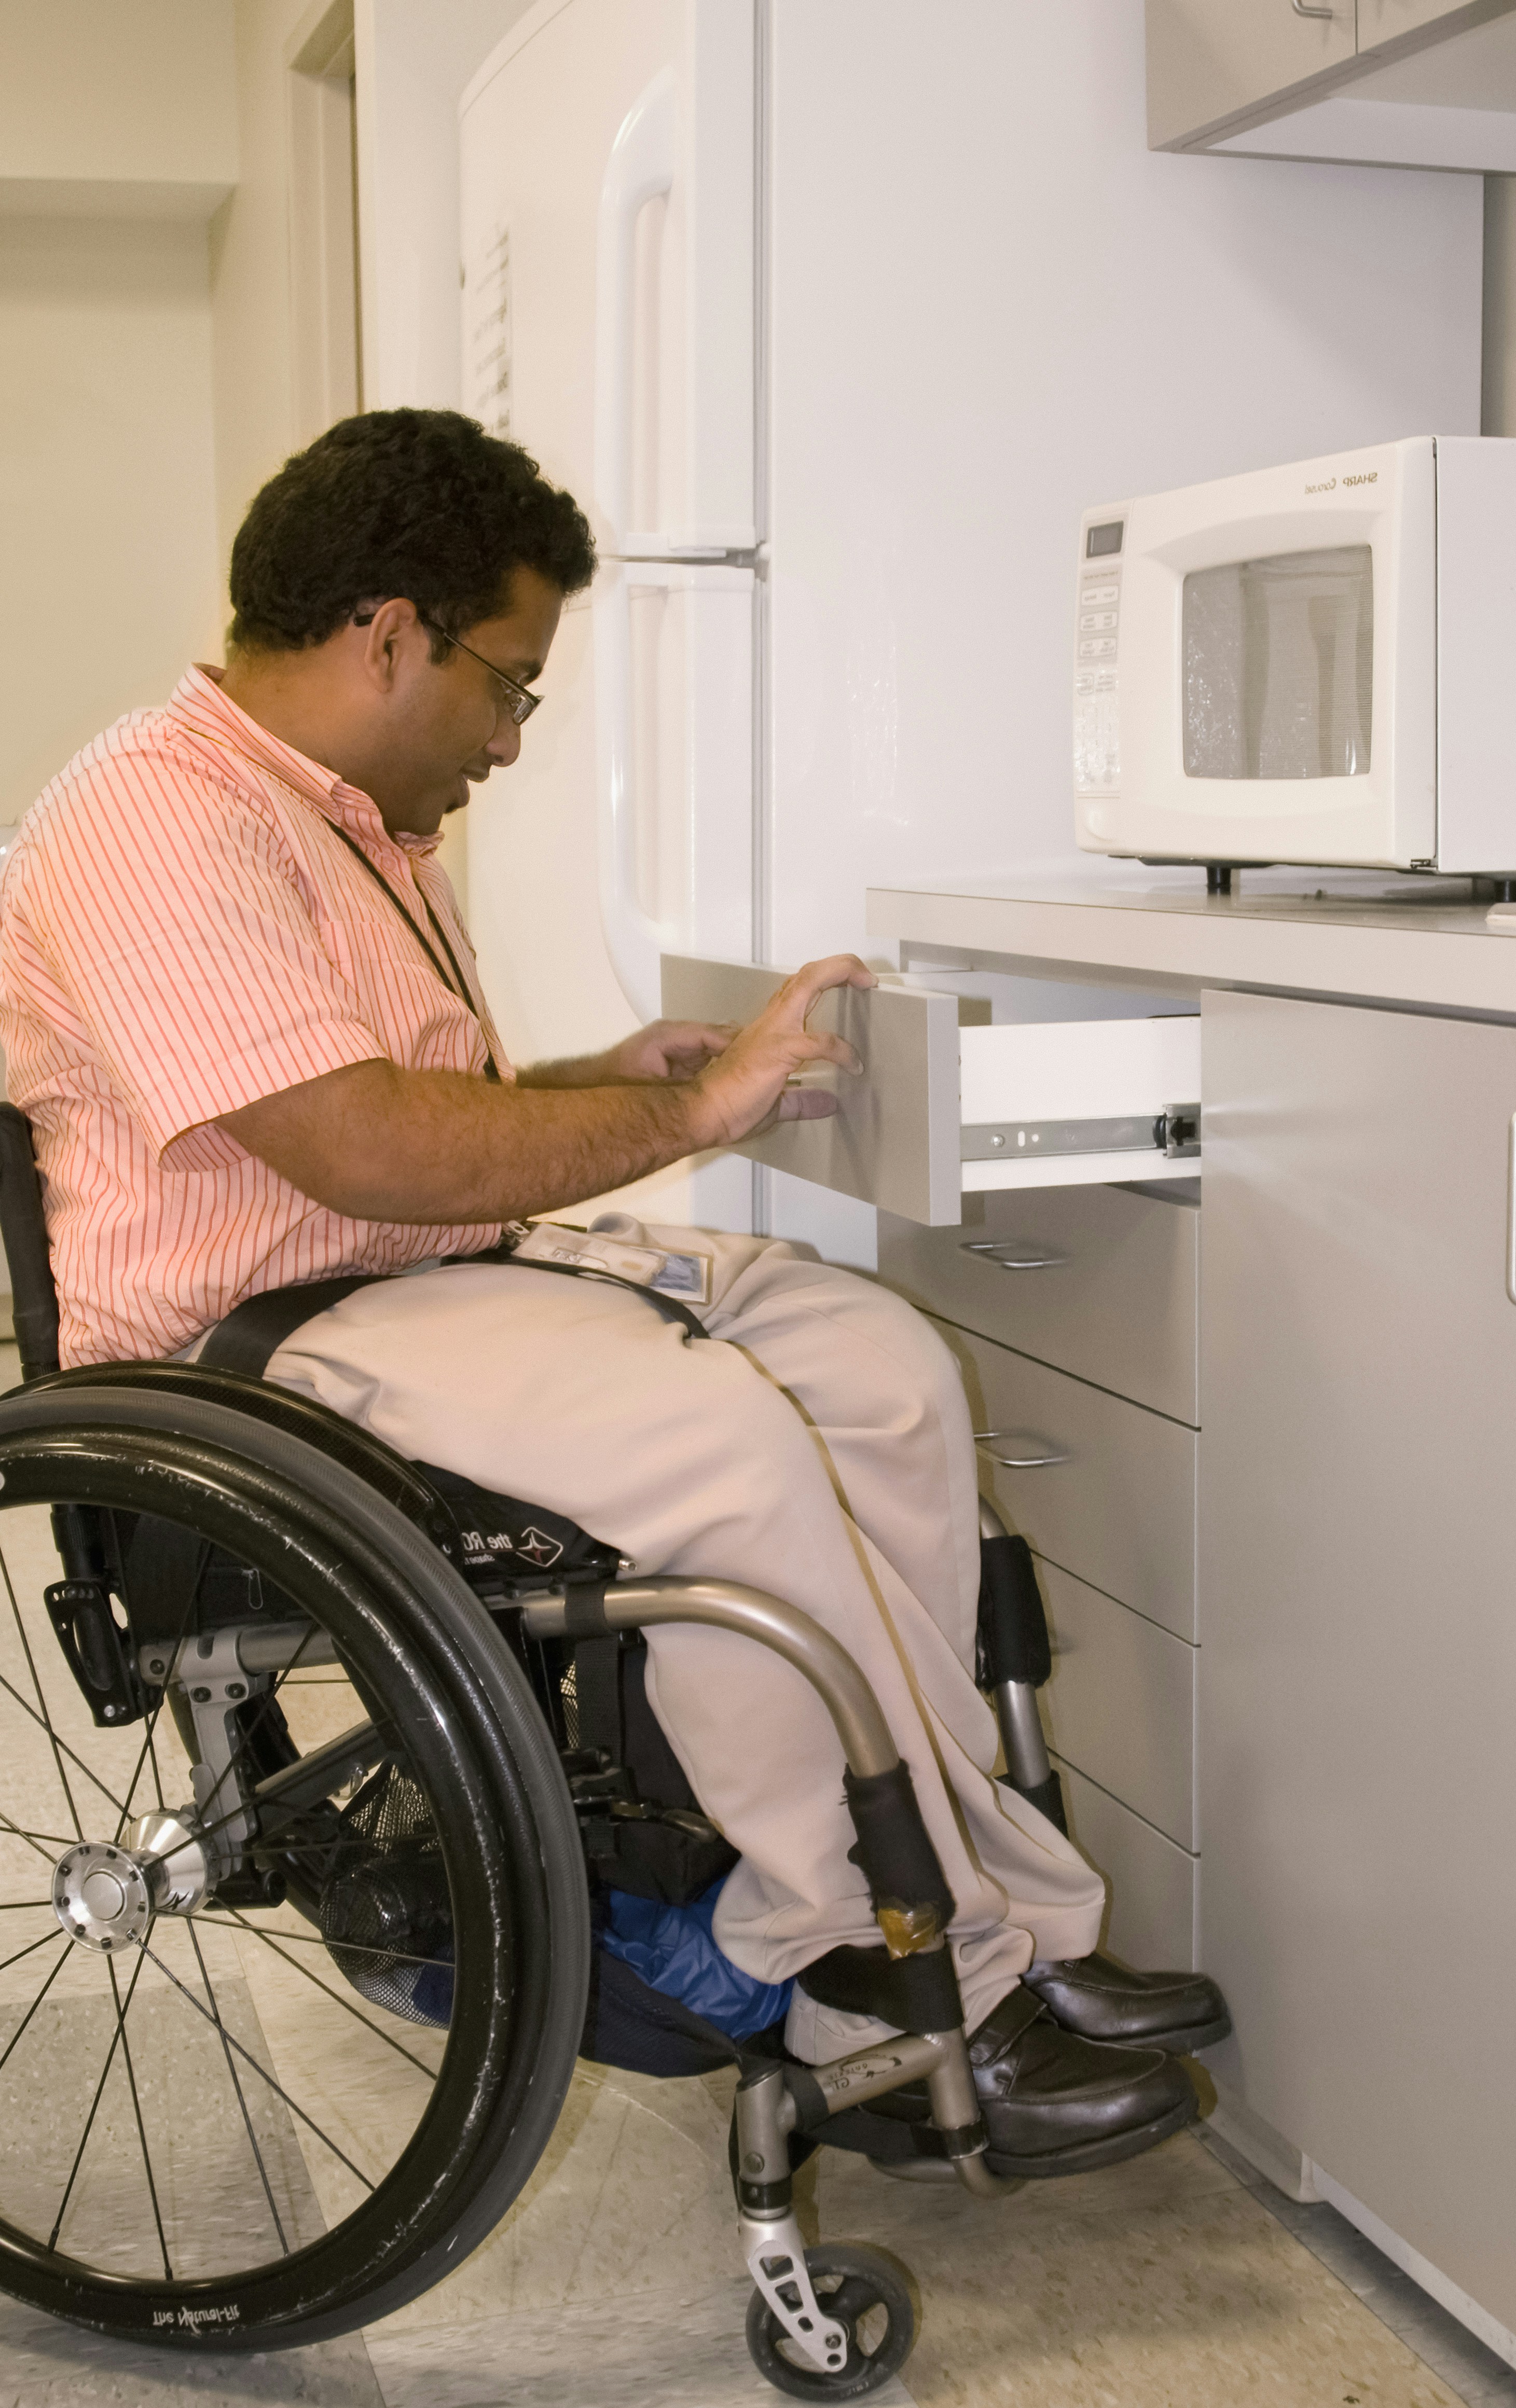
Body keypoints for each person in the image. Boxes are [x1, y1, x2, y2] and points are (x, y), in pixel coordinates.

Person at [0, 408, 1223, 2163]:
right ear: (390, 633)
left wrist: (601, 1074)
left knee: (869, 1361)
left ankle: (1008, 1915)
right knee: (719, 1442)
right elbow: (363, 1153)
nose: (509, 736)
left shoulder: (332, 818)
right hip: (258, 1347)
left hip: (409, 1276)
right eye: (509, 683)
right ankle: (861, 1963)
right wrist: (678, 1110)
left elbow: (408, 1119)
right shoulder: (153, 821)